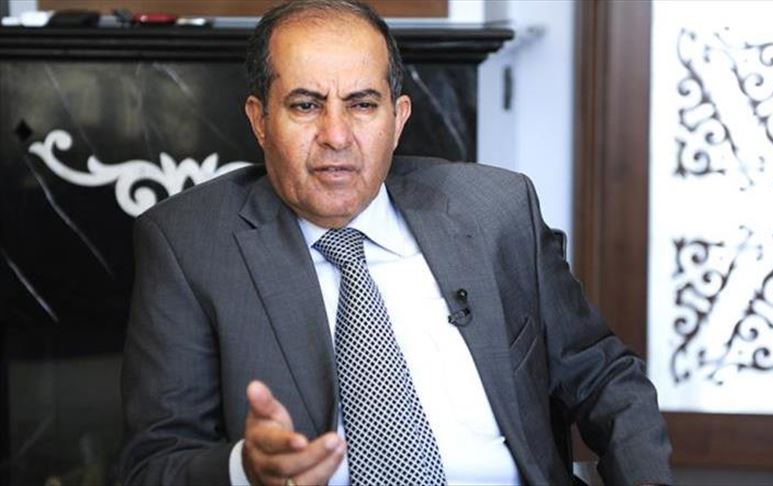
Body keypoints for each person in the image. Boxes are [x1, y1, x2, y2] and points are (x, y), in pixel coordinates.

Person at [118, 1, 673, 485]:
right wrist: (245, 469)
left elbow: (604, 376)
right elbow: (154, 464)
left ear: (398, 117)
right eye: (306, 105)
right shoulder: (190, 244)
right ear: (260, 120)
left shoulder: (497, 211)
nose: (336, 136)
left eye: (362, 104)